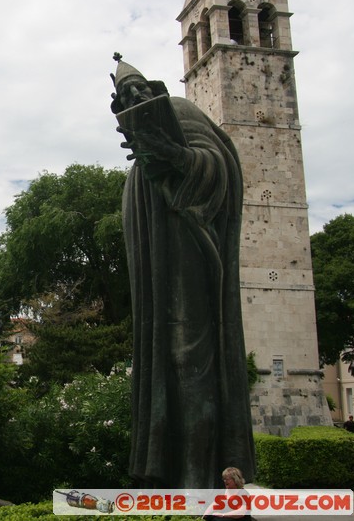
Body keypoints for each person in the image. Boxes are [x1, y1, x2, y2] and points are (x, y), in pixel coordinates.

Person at [111, 53, 255, 488]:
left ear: (155, 90)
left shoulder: (181, 110)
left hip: (191, 253)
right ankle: (169, 477)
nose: (135, 97)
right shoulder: (138, 160)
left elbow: (218, 168)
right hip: (158, 269)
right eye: (124, 96)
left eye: (140, 90)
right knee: (165, 363)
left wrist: (171, 153)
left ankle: (202, 479)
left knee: (190, 359)